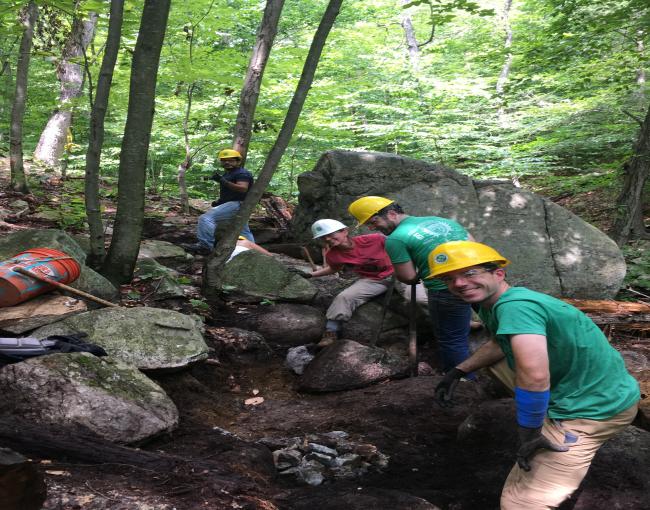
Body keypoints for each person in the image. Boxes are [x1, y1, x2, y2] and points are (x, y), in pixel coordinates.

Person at [428, 240, 640, 510]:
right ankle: (542, 412)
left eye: (470, 273)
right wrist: (459, 371)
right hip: (601, 387)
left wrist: (529, 433)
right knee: (495, 363)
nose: (458, 283)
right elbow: (499, 342)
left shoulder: (516, 306)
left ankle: (558, 433)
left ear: (498, 273)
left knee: (520, 504)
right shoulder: (492, 302)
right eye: (449, 278)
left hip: (591, 409)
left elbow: (535, 376)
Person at [347, 196, 474, 373]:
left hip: (445, 290)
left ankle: (462, 382)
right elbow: (474, 245)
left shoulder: (396, 239)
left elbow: (407, 277)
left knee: (452, 340)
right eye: (369, 224)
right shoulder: (443, 221)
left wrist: (420, 271)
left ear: (391, 214)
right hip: (480, 280)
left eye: (373, 221)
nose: (372, 227)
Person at [307, 219, 408, 348]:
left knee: (419, 297)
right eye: (323, 237)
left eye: (331, 234)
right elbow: (334, 268)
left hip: (400, 271)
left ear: (345, 231)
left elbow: (402, 245)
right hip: (374, 280)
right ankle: (331, 332)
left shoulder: (375, 239)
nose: (327, 239)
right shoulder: (333, 255)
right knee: (344, 297)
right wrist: (311, 274)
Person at [186, 149, 255, 255]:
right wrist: (220, 202)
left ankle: (205, 246)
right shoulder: (229, 174)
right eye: (224, 160)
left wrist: (222, 180)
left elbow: (243, 188)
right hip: (236, 204)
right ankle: (252, 251)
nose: (227, 162)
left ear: (238, 162)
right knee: (241, 229)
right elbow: (231, 192)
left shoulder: (242, 173)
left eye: (231, 160)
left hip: (238, 204)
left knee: (205, 218)